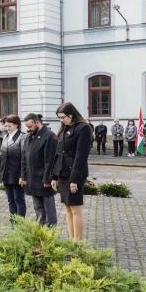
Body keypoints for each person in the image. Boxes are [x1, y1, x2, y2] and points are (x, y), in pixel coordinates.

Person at [51, 103, 92, 241]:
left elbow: (81, 156)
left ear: (71, 114)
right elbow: (58, 154)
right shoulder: (64, 129)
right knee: (68, 209)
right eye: (59, 118)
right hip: (62, 173)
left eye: (63, 117)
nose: (61, 120)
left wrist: (74, 179)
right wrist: (54, 176)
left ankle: (78, 243)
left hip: (75, 174)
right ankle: (71, 240)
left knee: (75, 209)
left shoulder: (83, 128)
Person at [20, 113, 57, 227]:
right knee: (38, 209)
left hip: (44, 180)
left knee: (49, 210)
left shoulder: (49, 136)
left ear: (37, 123)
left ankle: (50, 233)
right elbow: (24, 158)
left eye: (30, 126)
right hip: (32, 179)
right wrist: (23, 177)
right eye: (26, 127)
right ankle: (40, 232)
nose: (28, 129)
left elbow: (50, 161)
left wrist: (47, 179)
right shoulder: (29, 136)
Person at [0, 114, 26, 221]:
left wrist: (23, 176)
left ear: (16, 125)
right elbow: (2, 157)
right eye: (5, 126)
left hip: (17, 175)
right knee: (11, 201)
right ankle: (13, 223)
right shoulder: (5, 137)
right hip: (6, 174)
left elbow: (24, 158)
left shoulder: (23, 137)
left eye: (9, 126)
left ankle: (20, 225)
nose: (7, 128)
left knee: (19, 200)